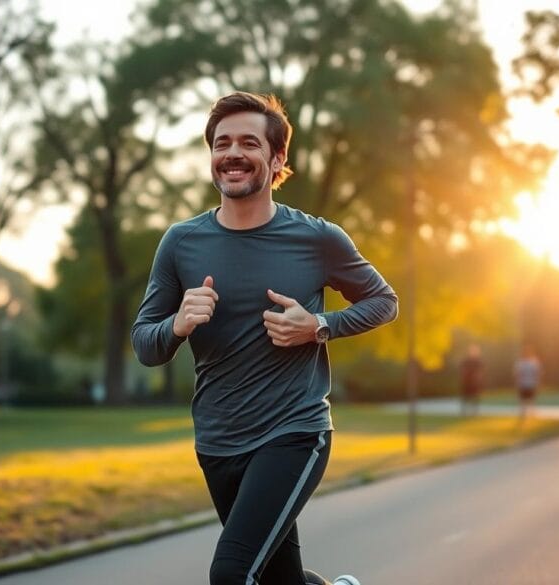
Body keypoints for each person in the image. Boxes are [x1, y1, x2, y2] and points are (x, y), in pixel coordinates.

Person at [131, 91, 398, 585]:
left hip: (294, 432)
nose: (232, 153)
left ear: (277, 159)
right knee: (278, 579)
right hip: (216, 441)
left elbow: (384, 301)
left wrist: (318, 326)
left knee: (232, 574)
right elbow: (145, 343)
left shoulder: (317, 238)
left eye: (249, 142)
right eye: (221, 142)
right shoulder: (181, 243)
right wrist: (178, 324)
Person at [513, 344, 542, 422]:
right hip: (526, 384)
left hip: (529, 383)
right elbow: (518, 374)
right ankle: (526, 413)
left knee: (529, 400)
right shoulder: (523, 363)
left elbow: (537, 373)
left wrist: (537, 382)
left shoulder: (532, 362)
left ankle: (530, 413)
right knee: (526, 400)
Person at [459, 344, 484, 416]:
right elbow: (462, 369)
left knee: (475, 396)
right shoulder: (466, 360)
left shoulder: (478, 361)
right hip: (466, 381)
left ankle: (475, 411)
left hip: (474, 382)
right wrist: (464, 376)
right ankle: (464, 411)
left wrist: (478, 379)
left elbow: (480, 372)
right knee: (465, 396)